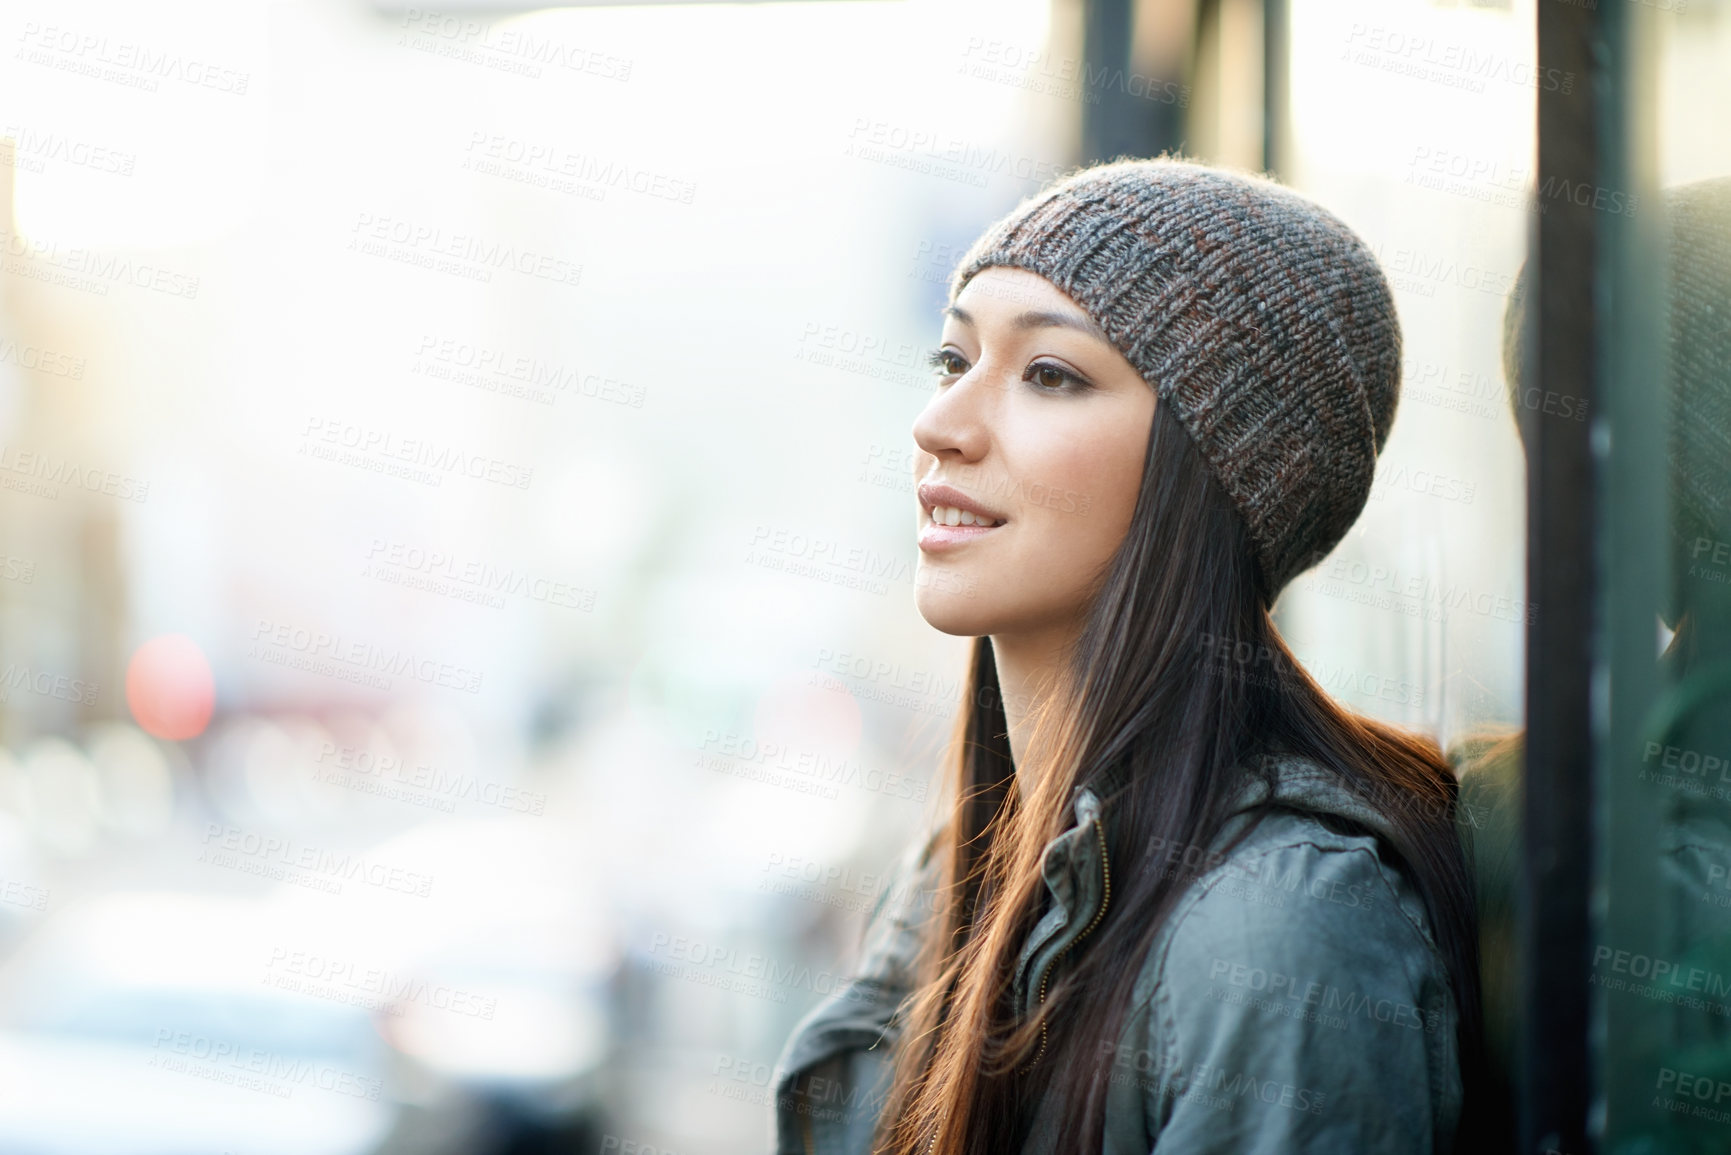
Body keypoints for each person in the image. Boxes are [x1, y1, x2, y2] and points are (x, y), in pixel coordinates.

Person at [771, 157, 1485, 1154]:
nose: (941, 425)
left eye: (1049, 374)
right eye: (952, 361)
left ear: (1225, 473)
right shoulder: (963, 869)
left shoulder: (1278, 935)